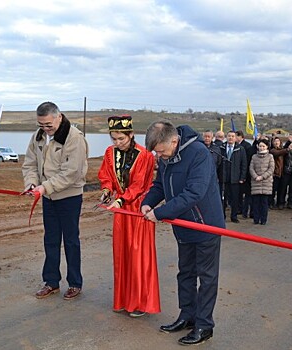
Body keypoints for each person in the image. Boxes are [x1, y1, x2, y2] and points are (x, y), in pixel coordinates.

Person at [141, 121, 224, 346]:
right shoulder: (166, 155)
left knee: (206, 277)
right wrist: (148, 203)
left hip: (205, 225)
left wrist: (160, 213)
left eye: (161, 151)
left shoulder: (199, 154)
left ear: (175, 141)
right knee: (185, 272)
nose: (160, 156)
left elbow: (194, 192)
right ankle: (187, 315)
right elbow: (159, 185)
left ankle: (204, 325)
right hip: (182, 224)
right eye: (157, 152)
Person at [22, 101, 88, 300]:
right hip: (47, 196)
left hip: (69, 197)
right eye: (41, 124)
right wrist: (32, 183)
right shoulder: (38, 136)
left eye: (48, 125)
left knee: (70, 241)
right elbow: (30, 164)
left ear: (59, 117)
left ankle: (75, 283)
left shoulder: (74, 138)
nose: (45, 129)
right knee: (50, 240)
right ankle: (51, 282)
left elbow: (72, 173)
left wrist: (45, 187)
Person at [98, 115, 160, 317]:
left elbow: (139, 185)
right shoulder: (110, 153)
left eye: (121, 139)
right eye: (114, 139)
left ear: (131, 135)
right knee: (121, 253)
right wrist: (107, 190)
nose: (117, 143)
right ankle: (123, 300)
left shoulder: (145, 155)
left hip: (138, 210)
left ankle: (139, 303)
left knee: (138, 256)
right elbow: (106, 175)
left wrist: (121, 200)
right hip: (120, 212)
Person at [220, 130, 247, 223]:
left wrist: (242, 177)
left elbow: (244, 164)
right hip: (224, 177)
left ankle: (234, 216)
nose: (230, 138)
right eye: (229, 136)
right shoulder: (221, 147)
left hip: (235, 178)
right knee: (223, 198)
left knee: (235, 199)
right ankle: (222, 216)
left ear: (235, 138)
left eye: (232, 136)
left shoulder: (240, 149)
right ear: (226, 137)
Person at [249, 139, 274, 225]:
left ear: (267, 146)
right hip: (256, 182)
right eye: (260, 146)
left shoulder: (270, 156)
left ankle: (263, 220)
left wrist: (262, 177)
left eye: (263, 146)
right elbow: (251, 168)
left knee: (264, 203)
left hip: (266, 182)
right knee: (255, 203)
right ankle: (256, 219)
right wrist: (256, 176)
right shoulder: (254, 156)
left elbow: (271, 169)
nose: (261, 147)